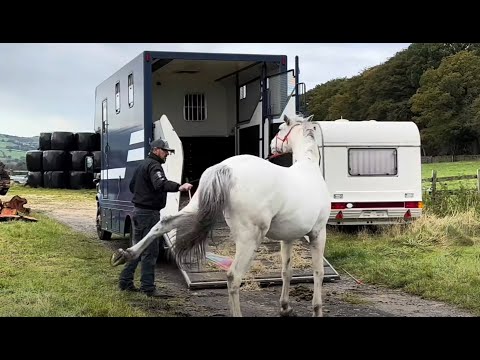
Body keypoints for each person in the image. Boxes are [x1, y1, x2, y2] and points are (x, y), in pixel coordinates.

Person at [118, 138, 193, 297]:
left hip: (138, 212)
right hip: (148, 214)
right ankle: (148, 288)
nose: (167, 154)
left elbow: (132, 186)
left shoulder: (142, 165)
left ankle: (125, 281)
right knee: (150, 252)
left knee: (137, 248)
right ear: (156, 150)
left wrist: (143, 193)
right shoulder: (154, 165)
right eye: (165, 151)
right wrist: (180, 187)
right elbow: (160, 184)